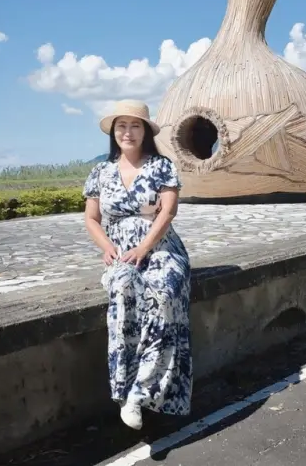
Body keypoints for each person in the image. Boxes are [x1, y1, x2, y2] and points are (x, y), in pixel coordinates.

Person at [82, 99, 192, 430]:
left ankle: (141, 394)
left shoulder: (161, 167)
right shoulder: (101, 171)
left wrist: (145, 247)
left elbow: (168, 212)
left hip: (160, 249)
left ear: (145, 131)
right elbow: (91, 218)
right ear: (113, 132)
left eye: (135, 126)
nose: (128, 132)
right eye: (121, 126)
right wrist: (107, 248)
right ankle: (123, 387)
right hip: (122, 254)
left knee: (163, 295)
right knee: (122, 290)